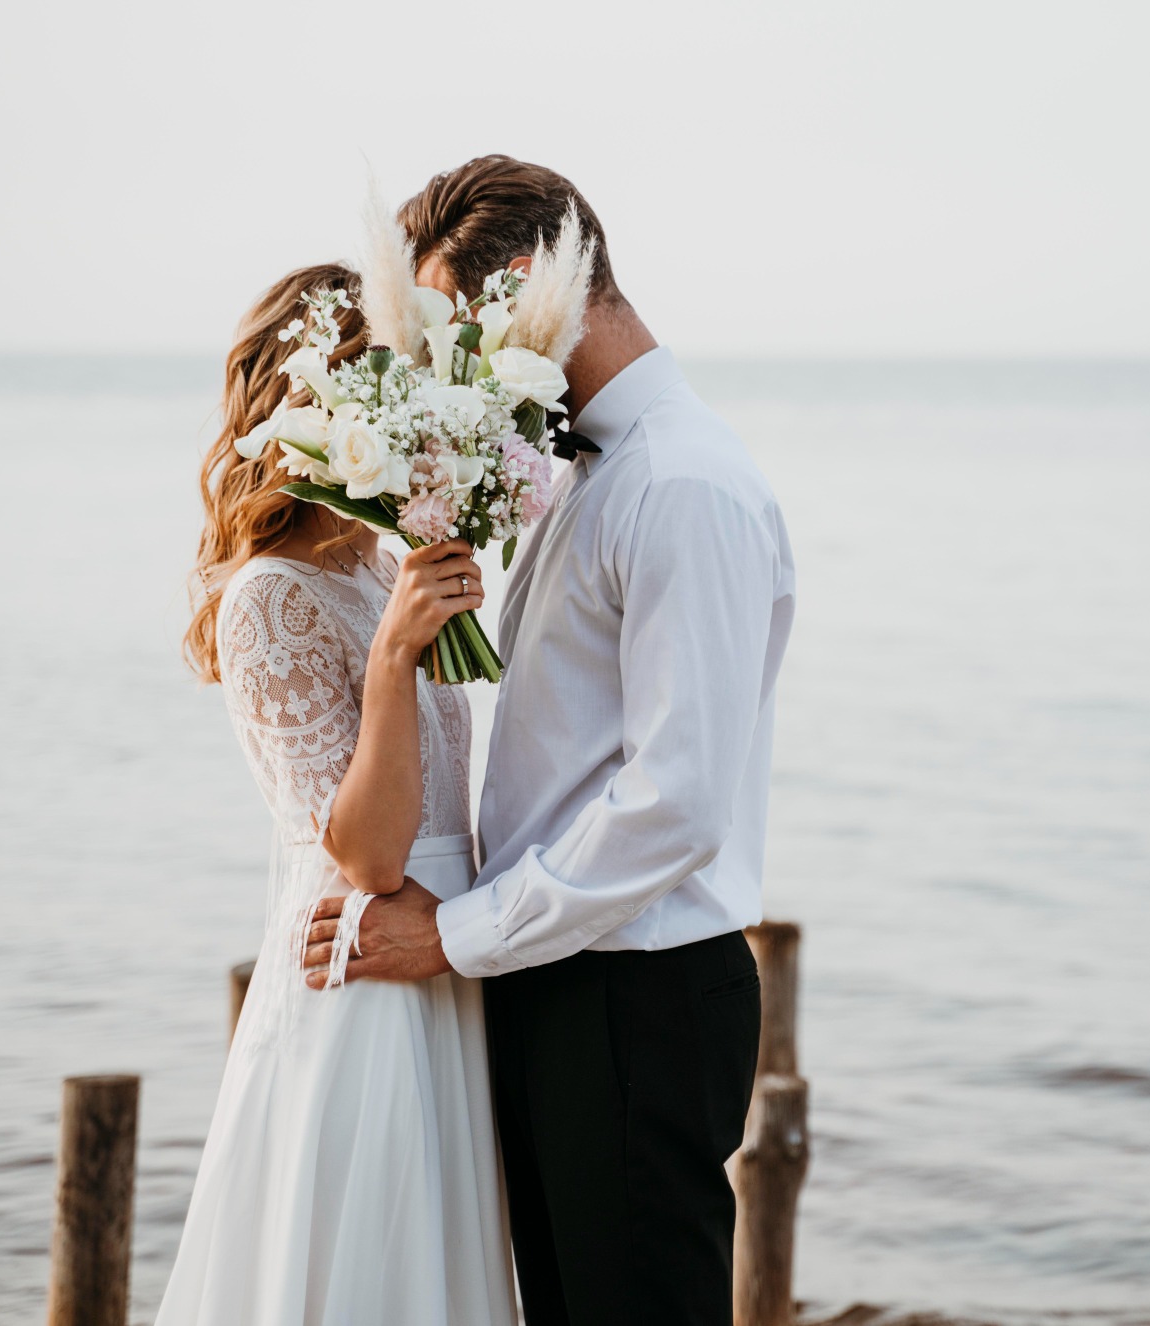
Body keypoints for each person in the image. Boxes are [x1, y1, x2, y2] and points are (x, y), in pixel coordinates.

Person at [300, 156, 798, 1326]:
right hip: (562, 980)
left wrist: (455, 936)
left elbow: (674, 803)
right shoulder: (584, 475)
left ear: (528, 287)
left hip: (637, 996)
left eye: (448, 329)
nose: (441, 366)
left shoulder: (681, 484)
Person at [159, 264, 515, 1326]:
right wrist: (393, 657)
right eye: (376, 388)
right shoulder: (268, 597)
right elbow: (365, 857)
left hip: (446, 947)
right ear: (304, 402)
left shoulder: (378, 561)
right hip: (364, 968)